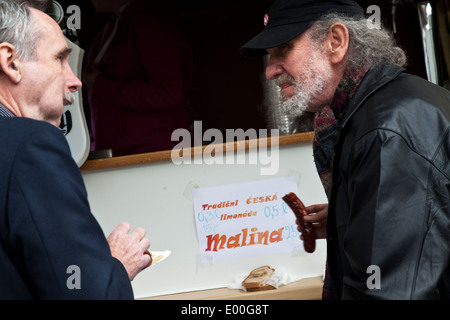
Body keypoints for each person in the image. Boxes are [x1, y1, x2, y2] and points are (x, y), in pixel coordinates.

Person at [241, 0, 450, 299]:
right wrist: (350, 214)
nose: (271, 70)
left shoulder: (385, 129)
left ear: (335, 42)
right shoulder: (380, 108)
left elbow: (386, 289)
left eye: (283, 48)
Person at [0, 0, 151, 299]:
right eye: (59, 58)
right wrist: (114, 267)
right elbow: (85, 292)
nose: (76, 81)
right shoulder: (31, 146)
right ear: (10, 62)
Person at [83, 0, 193, 156]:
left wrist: (101, 85)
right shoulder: (114, 25)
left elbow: (168, 92)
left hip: (154, 155)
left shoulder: (149, 23)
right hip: (120, 155)